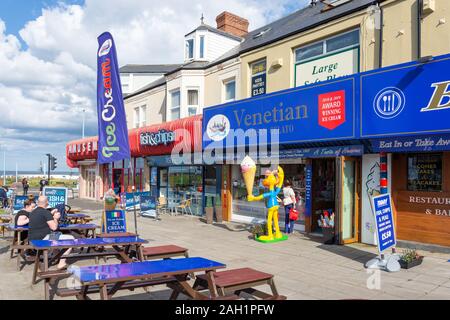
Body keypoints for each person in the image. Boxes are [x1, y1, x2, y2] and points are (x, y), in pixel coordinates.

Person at [29, 196, 74, 269]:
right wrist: (55, 218)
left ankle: (55, 257)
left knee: (59, 235)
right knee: (71, 239)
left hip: (31, 240)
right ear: (47, 202)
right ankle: (61, 263)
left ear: (38, 202)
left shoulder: (33, 212)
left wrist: (50, 214)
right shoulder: (46, 213)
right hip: (43, 240)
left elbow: (41, 218)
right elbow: (54, 228)